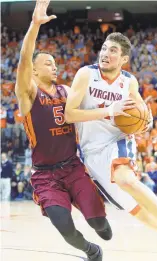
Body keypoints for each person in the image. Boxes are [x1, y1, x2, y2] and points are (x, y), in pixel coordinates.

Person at [65, 32, 157, 260]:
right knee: (133, 208)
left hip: (118, 140)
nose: (105, 53)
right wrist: (109, 111)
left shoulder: (129, 81)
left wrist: (146, 122)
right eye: (105, 48)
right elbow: (69, 114)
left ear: (124, 59)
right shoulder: (86, 74)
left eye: (113, 51)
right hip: (91, 152)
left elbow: (141, 113)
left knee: (127, 180)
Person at [15, 1, 112, 260]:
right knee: (65, 227)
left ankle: (99, 225)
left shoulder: (67, 92)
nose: (54, 66)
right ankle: (91, 251)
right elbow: (24, 60)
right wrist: (35, 25)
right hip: (46, 177)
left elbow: (89, 112)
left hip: (73, 167)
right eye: (48, 63)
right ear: (34, 71)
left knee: (101, 226)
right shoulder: (28, 93)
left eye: (55, 63)